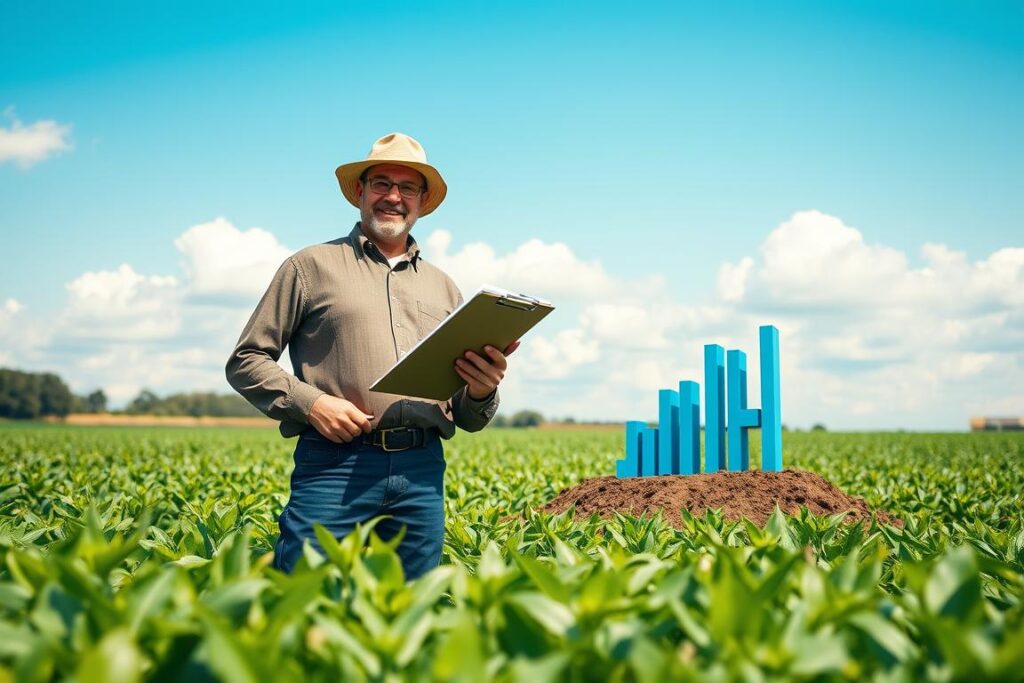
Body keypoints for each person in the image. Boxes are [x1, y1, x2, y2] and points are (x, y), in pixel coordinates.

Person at [226, 132, 517, 579]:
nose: (393, 197)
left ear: (422, 201)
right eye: (381, 183)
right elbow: (247, 359)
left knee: (412, 608)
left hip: (421, 472)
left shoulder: (444, 287)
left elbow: (468, 415)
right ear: (360, 192)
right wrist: (313, 403)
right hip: (335, 466)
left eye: (407, 188)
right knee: (305, 595)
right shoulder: (310, 266)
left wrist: (481, 389)